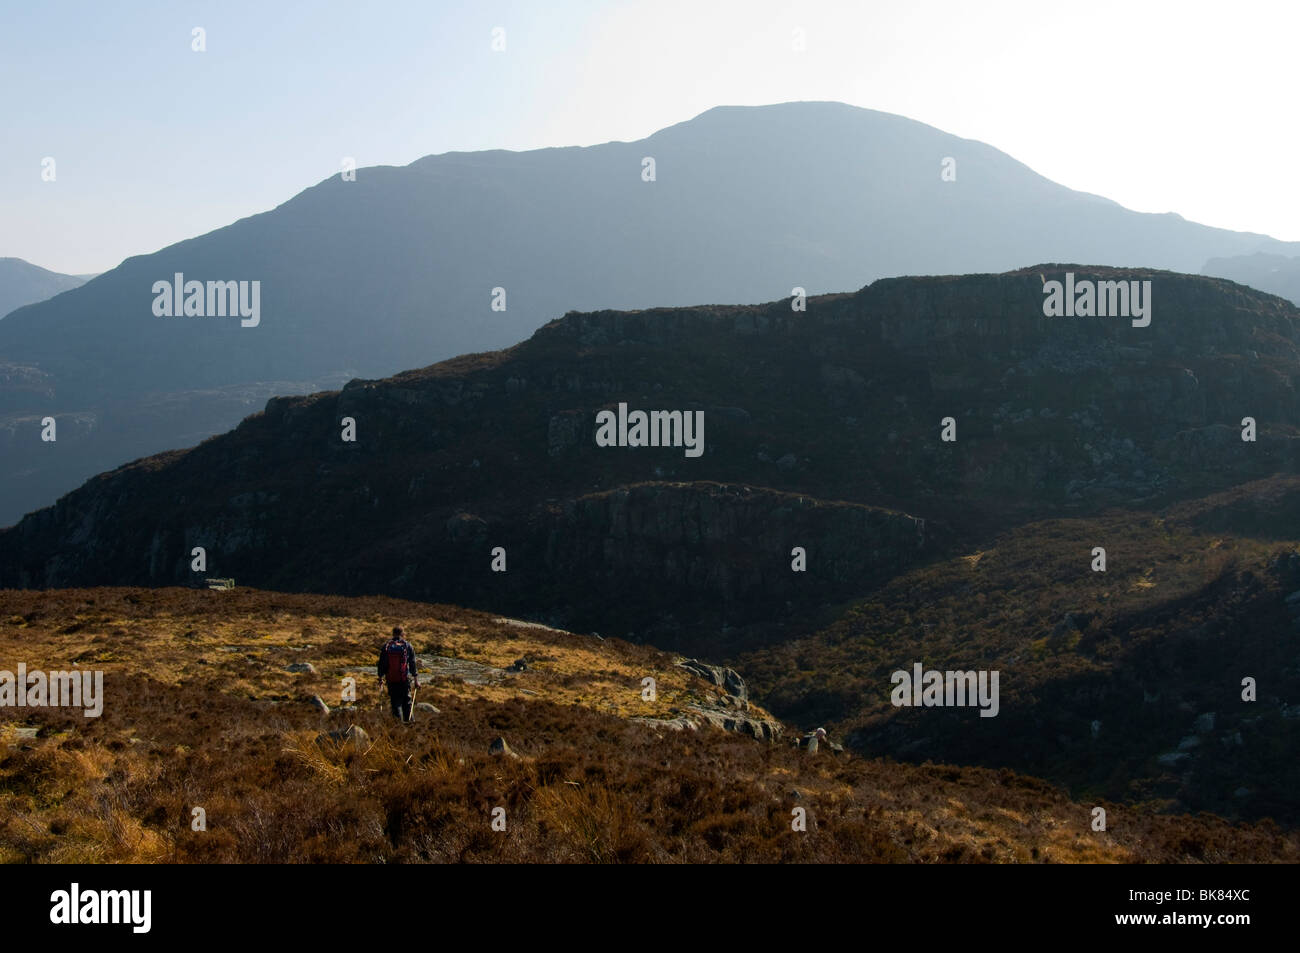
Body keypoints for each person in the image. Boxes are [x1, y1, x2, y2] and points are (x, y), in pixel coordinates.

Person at [377, 626, 419, 722]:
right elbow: (412, 664)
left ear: (393, 633)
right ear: (402, 634)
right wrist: (416, 681)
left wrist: (380, 677)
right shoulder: (408, 646)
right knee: (407, 704)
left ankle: (398, 727)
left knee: (395, 704)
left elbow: (382, 664)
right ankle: (410, 726)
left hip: (391, 680)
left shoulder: (386, 646)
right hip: (404, 680)